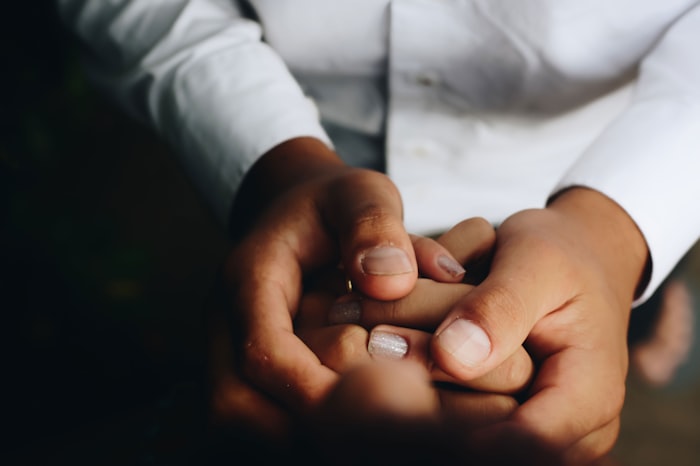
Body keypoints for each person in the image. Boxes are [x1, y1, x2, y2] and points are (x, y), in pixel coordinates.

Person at [57, 0, 700, 464]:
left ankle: (640, 298)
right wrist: (278, 171)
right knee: (554, 351)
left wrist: (618, 230)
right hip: (295, 139)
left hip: (592, 153)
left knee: (601, 312)